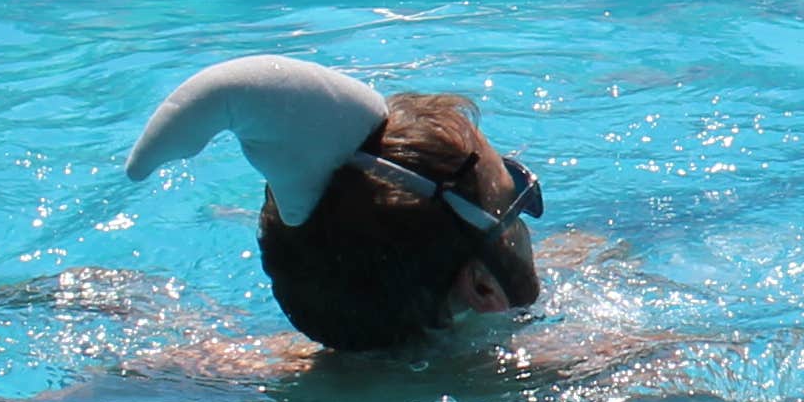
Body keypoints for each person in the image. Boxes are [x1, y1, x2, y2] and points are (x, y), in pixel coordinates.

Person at [125, 54, 547, 352]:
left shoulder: (260, 373)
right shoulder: (567, 382)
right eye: (518, 198)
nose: (526, 221)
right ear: (482, 288)